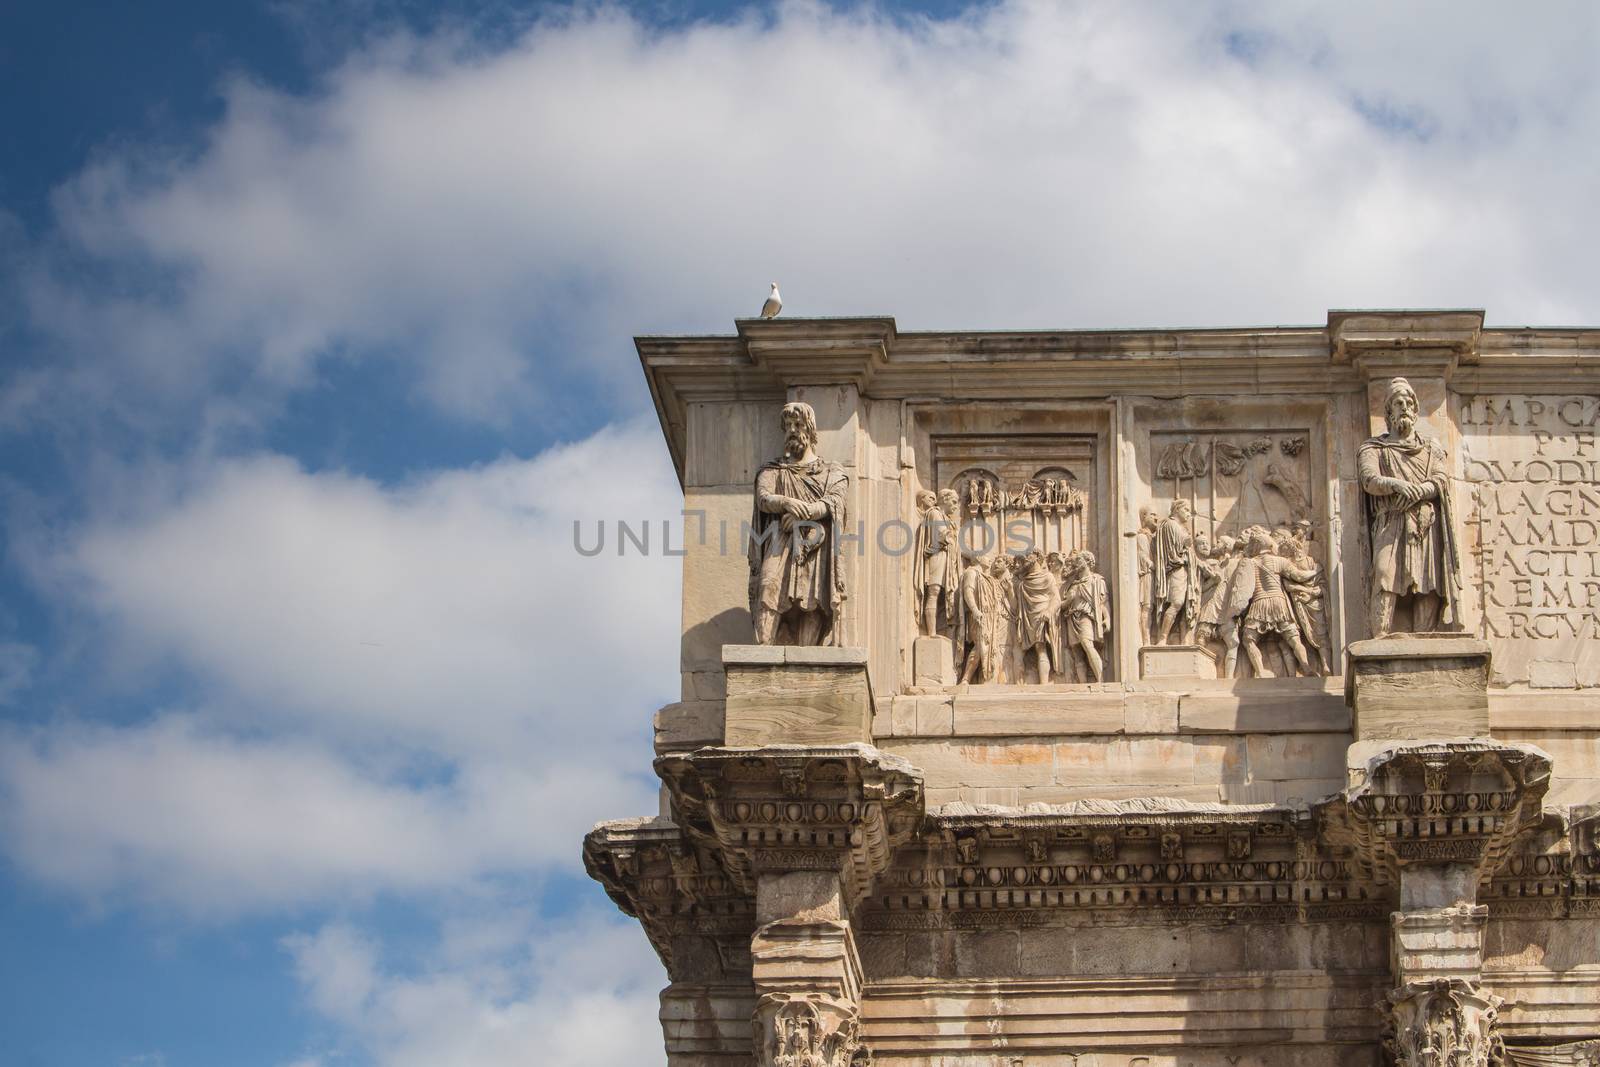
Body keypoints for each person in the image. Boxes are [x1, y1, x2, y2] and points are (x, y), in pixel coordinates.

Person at [1358, 377, 1462, 635]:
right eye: (1397, 403)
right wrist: (1398, 485)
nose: (1404, 407)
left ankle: (1423, 638)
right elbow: (1369, 479)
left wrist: (1419, 491)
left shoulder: (1431, 448)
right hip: (1391, 520)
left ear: (1415, 411)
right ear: (1388, 412)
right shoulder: (1373, 448)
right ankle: (1380, 637)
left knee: (1428, 582)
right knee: (1384, 574)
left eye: (1408, 403)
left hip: (1425, 523)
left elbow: (1440, 480)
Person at [748, 401, 848, 645]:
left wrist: (808, 512)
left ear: (811, 430)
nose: (792, 429)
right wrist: (785, 502)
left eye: (798, 424)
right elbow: (763, 497)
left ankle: (808, 654)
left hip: (815, 543)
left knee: (812, 600)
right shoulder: (773, 470)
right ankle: (764, 648)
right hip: (780, 540)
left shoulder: (830, 470)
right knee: (768, 587)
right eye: (788, 425)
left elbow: (836, 499)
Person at [1225, 526, 1321, 677]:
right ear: (1269, 546)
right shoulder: (1280, 561)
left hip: (1259, 603)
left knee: (1248, 640)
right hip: (1279, 603)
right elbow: (1299, 576)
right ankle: (1307, 668)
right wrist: (1316, 571)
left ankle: (1260, 671)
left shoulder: (1249, 562)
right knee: (1294, 639)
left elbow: (1242, 589)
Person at [1152, 499, 1198, 644]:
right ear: (1177, 509)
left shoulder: (1180, 528)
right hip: (1176, 569)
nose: (1188, 514)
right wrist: (1187, 542)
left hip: (1185, 570)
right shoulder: (1171, 524)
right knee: (1177, 603)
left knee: (1184, 606)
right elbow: (1174, 550)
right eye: (1186, 510)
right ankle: (1162, 637)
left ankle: (1184, 640)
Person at [1061, 550, 1111, 683]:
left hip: (1086, 616)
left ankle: (1100, 680)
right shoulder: (1074, 584)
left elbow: (1103, 602)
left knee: (1087, 644)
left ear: (1088, 562)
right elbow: (1064, 604)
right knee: (1076, 652)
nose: (1076, 564)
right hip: (1072, 617)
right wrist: (1064, 602)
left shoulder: (1096, 580)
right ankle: (1082, 685)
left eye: (1079, 560)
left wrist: (1107, 618)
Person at [912, 489, 956, 637]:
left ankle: (936, 630)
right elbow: (942, 535)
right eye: (954, 502)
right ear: (945, 499)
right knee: (934, 592)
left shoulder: (943, 516)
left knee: (942, 595)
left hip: (943, 556)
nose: (955, 506)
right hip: (936, 555)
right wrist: (950, 535)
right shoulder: (935, 513)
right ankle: (931, 632)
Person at [1015, 551, 1060, 684]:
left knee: (1040, 648)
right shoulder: (1024, 581)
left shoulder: (1048, 577)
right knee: (1022, 649)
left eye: (1029, 555)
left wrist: (1049, 611)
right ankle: (1019, 682)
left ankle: (1044, 683)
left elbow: (1056, 598)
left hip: (1041, 613)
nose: (1026, 558)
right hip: (1026, 615)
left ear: (1037, 557)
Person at [1136, 506, 1157, 645]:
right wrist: (1152, 564)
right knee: (1147, 607)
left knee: (1152, 607)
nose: (1156, 517)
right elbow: (1143, 555)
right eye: (1152, 514)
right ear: (1144, 517)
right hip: (1147, 575)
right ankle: (1146, 639)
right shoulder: (1142, 537)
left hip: (1154, 575)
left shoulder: (1152, 537)